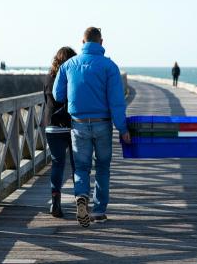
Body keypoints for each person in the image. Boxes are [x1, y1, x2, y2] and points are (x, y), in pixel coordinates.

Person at [53, 27, 131, 227]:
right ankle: (98, 210)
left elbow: (57, 95)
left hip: (78, 124)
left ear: (82, 42)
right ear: (101, 42)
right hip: (103, 123)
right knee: (103, 166)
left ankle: (81, 196)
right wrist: (123, 129)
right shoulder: (109, 66)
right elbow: (116, 102)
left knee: (81, 167)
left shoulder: (68, 65)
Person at [42, 47, 77, 218]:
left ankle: (55, 201)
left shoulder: (48, 78)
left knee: (57, 164)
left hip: (51, 126)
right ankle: (81, 201)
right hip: (71, 125)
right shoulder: (73, 76)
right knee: (77, 164)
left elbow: (46, 99)